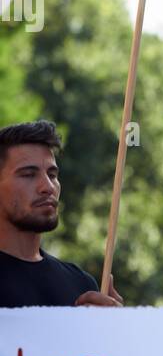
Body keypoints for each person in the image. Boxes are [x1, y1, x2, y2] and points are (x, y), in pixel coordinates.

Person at [0, 120, 121, 307]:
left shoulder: (81, 285)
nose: (48, 187)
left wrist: (113, 331)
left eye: (52, 175)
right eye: (28, 174)